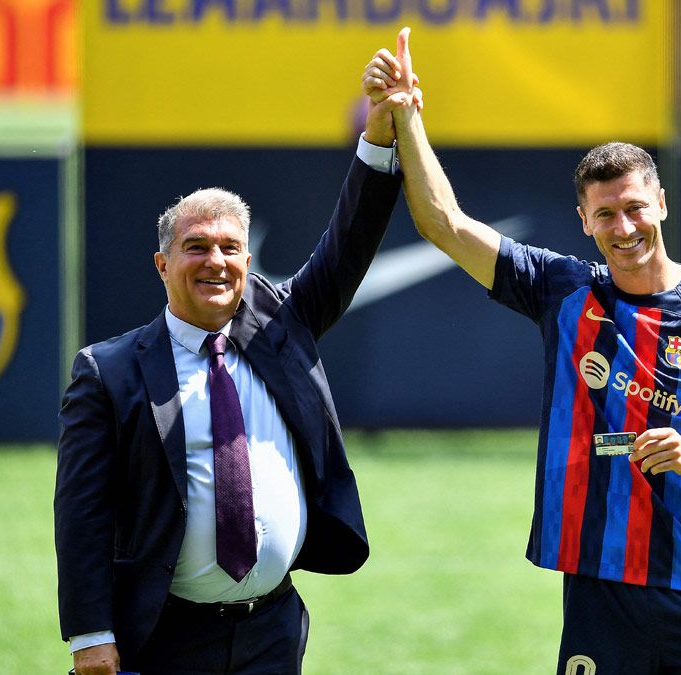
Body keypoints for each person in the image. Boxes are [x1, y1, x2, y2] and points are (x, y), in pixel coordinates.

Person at [363, 29, 681, 674]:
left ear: (661, 204)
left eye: (634, 209)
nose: (623, 229)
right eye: (605, 215)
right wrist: (406, 114)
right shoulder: (562, 291)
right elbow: (444, 224)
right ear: (583, 220)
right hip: (599, 594)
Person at [54, 78, 416, 674]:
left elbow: (348, 245)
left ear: (248, 263)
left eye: (229, 248)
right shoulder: (108, 371)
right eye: (195, 247)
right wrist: (89, 633)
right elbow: (81, 514)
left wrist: (378, 138)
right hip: (162, 635)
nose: (215, 262)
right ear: (162, 264)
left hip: (272, 630)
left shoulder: (281, 328)